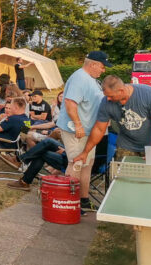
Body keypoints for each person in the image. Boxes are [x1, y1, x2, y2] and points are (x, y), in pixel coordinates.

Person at [57, 51, 110, 212]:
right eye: (102, 66)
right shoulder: (80, 78)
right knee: (76, 163)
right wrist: (78, 125)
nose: (103, 70)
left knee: (87, 164)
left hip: (88, 132)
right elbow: (70, 102)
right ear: (92, 64)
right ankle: (69, 202)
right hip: (76, 131)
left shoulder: (91, 80)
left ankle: (83, 200)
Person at [73, 75, 151, 164]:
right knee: (125, 177)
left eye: (111, 96)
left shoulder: (148, 94)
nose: (108, 99)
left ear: (121, 90)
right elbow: (99, 129)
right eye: (106, 96)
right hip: (127, 145)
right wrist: (85, 152)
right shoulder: (105, 102)